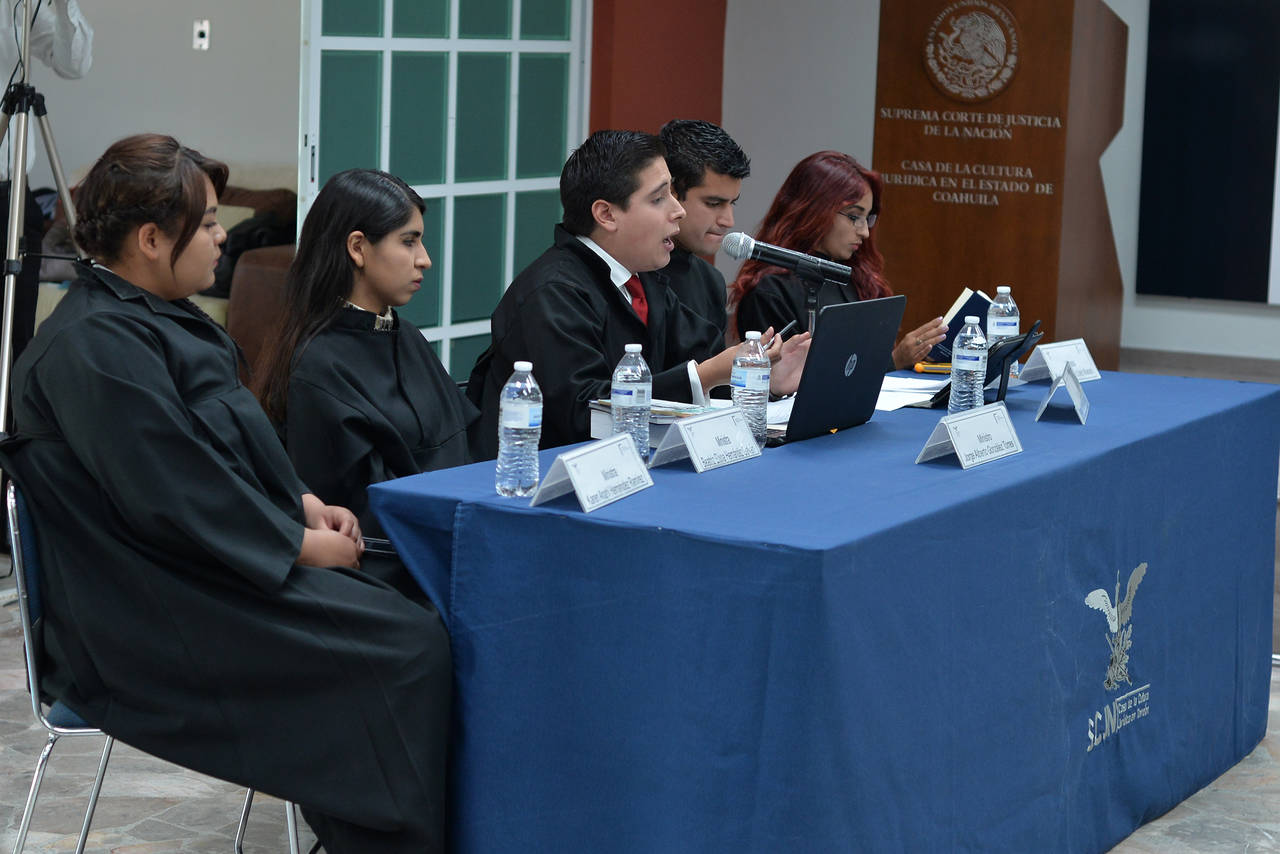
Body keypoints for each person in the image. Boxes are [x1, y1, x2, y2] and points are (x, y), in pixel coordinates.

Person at [0, 134, 449, 854]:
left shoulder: (157, 314)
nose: (221, 237)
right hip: (140, 611)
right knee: (404, 646)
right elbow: (170, 492)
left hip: (203, 564)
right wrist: (298, 545)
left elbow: (226, 440)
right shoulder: (92, 346)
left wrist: (300, 501)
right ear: (151, 239)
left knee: (413, 612)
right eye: (208, 223)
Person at [466, 129, 809, 457]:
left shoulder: (644, 279)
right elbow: (584, 412)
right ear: (606, 214)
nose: (678, 210)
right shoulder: (553, 292)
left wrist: (762, 377)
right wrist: (707, 374)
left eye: (673, 193)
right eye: (659, 198)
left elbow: (699, 360)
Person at [254, 168, 477, 599]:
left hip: (453, 540)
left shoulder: (406, 336)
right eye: (409, 241)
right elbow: (361, 518)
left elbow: (465, 446)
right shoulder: (317, 365)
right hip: (392, 572)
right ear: (357, 247)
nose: (424, 259)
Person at [730, 151, 947, 370]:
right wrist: (894, 361)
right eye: (854, 217)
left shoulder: (856, 278)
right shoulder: (770, 291)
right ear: (814, 210)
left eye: (868, 218)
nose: (865, 232)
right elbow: (792, 379)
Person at [0, 0, 92, 361]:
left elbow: (73, 64)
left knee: (16, 332)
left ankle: (12, 397)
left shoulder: (17, 7)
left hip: (11, 194)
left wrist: (66, 6)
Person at [657, 118, 750, 337]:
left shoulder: (711, 282)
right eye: (714, 203)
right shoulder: (631, 275)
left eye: (733, 203)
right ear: (671, 193)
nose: (728, 221)